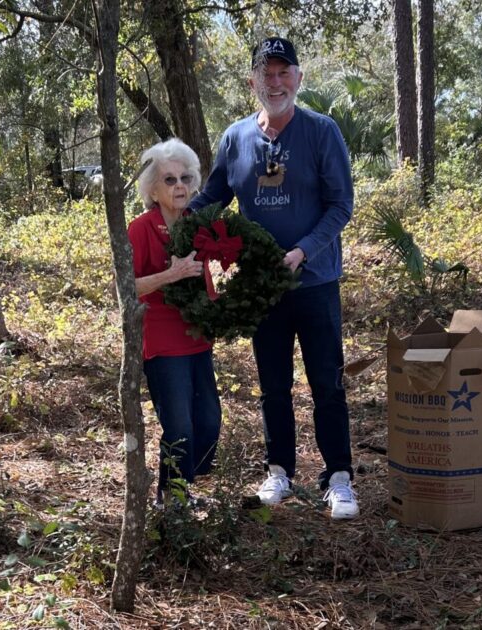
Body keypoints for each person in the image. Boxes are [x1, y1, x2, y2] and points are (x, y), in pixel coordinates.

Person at [190, 36, 357, 520]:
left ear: (299, 78)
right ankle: (279, 469)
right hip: (261, 287)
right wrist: (169, 217)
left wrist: (302, 251)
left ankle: (339, 477)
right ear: (253, 81)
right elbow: (213, 198)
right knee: (273, 385)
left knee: (327, 382)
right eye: (267, 73)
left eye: (285, 72)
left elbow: (340, 205)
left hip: (316, 281)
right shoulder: (236, 137)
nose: (276, 81)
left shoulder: (322, 132)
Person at [127, 138, 222, 508]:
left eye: (185, 177)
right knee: (179, 426)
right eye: (169, 180)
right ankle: (171, 499)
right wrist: (171, 274)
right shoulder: (140, 228)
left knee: (209, 424)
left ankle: (182, 486)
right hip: (161, 338)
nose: (180, 185)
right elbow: (127, 287)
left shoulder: (197, 225)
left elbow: (214, 275)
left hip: (198, 335)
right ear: (152, 187)